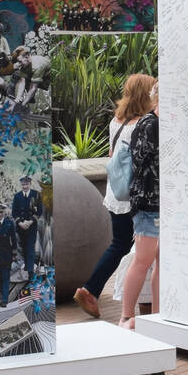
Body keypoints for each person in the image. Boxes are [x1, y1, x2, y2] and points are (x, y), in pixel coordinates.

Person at [75, 73, 155, 318]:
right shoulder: (144, 124)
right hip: (135, 195)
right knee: (138, 249)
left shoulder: (117, 120)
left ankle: (92, 289)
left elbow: (112, 154)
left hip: (115, 191)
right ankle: (138, 304)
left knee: (121, 245)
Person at [119, 80, 160, 328]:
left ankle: (158, 316)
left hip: (165, 201)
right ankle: (126, 315)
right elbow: (141, 161)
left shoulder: (159, 123)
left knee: (161, 261)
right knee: (143, 259)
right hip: (147, 201)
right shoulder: (149, 124)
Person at [12, 175, 42, 279]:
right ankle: (26, 269)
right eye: (23, 184)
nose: (25, 186)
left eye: (26, 184)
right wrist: (20, 223)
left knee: (30, 248)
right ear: (21, 184)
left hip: (31, 226)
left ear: (30, 184)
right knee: (23, 248)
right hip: (20, 227)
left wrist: (30, 222)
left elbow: (39, 211)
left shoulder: (36, 194)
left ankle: (30, 273)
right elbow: (14, 213)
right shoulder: (17, 196)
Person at [0, 203, 16, 307]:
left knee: (5, 277)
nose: (0, 214)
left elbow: (13, 239)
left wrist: (14, 253)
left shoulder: (9, 223)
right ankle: (1, 292)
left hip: (6, 255)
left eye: (1, 212)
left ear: (4, 213)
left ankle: (5, 299)